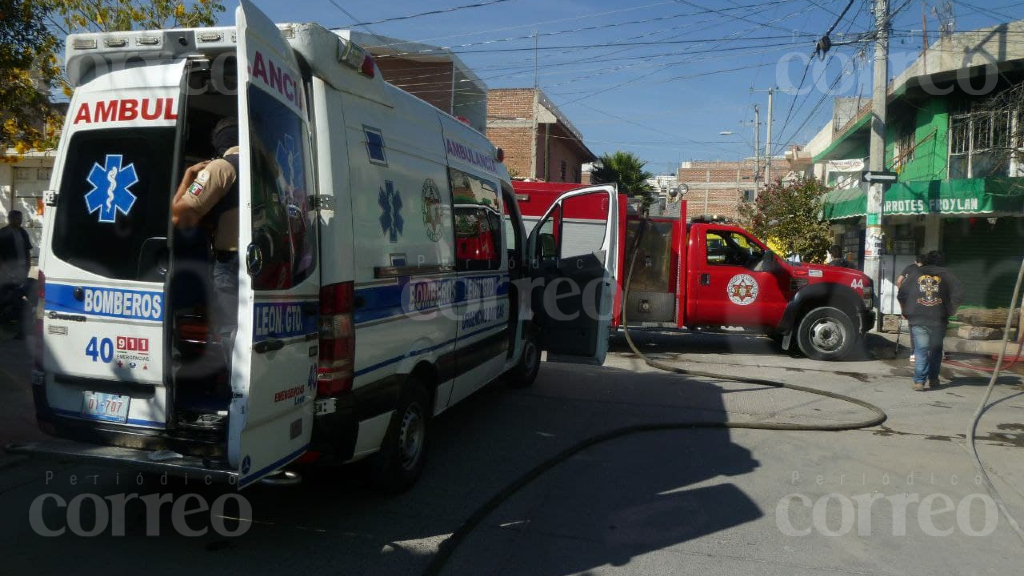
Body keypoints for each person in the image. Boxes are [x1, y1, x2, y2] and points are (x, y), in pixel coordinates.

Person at [171, 117, 240, 366]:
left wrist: (188, 177)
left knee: (230, 337)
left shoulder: (222, 167)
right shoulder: (267, 168)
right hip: (267, 263)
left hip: (231, 266)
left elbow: (178, 216)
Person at [897, 251, 964, 391]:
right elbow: (959, 294)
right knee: (935, 349)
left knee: (920, 350)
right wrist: (950, 310)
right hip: (938, 319)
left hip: (918, 318)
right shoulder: (947, 275)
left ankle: (919, 382)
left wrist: (905, 310)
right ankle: (933, 379)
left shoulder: (915, 274)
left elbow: (902, 294)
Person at [0, 210, 33, 338]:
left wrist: (28, 266)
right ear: (10, 219)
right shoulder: (3, 233)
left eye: (20, 218)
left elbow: (27, 251)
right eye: (17, 219)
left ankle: (20, 325)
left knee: (18, 296)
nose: (19, 221)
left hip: (22, 270)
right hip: (7, 272)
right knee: (11, 297)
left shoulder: (23, 233)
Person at [896, 254, 924, 362]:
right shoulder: (928, 271)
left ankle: (913, 353)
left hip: (910, 302)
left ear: (915, 261)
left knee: (913, 328)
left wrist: (903, 291)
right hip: (924, 303)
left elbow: (898, 282)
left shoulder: (909, 268)